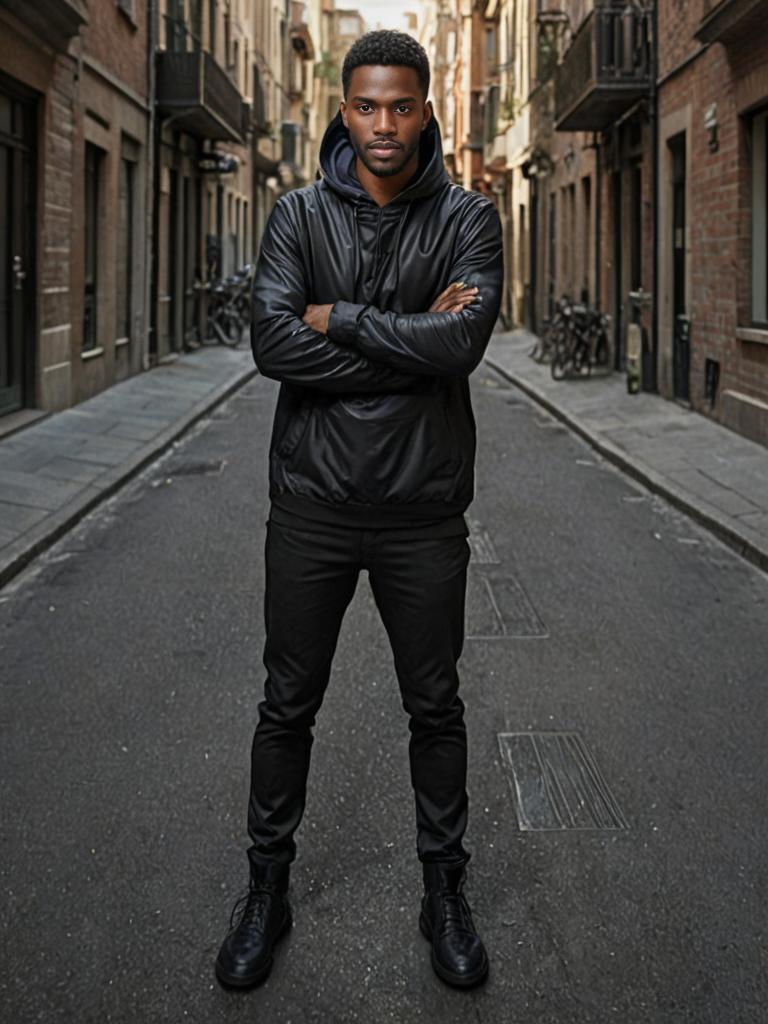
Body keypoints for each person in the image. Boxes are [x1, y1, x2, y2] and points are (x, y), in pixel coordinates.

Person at [215, 29, 502, 991]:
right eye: (368, 106)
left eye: (404, 106)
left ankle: (444, 891)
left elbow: (461, 348)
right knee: (286, 705)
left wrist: (340, 320)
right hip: (313, 505)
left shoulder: (469, 219)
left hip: (423, 511)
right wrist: (409, 343)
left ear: (427, 109)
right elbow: (272, 345)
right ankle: (266, 890)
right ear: (344, 110)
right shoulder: (296, 215)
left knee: (437, 709)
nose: (386, 124)